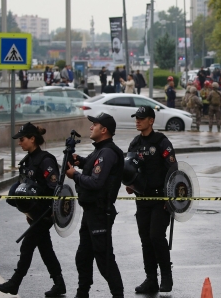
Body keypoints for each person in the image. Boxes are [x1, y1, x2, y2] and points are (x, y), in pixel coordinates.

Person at [0, 123, 66, 297]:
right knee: (45, 248)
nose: (20, 143)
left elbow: (55, 187)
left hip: (46, 213)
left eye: (22, 139)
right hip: (35, 214)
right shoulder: (27, 161)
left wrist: (51, 211)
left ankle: (15, 283)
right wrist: (27, 212)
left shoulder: (45, 160)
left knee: (27, 246)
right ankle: (59, 283)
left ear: (32, 139)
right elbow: (24, 187)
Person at [65, 113, 125, 298]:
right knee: (83, 256)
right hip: (91, 212)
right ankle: (82, 293)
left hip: (100, 212)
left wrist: (75, 174)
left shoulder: (107, 152)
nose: (91, 127)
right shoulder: (100, 150)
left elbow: (96, 182)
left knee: (104, 258)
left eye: (95, 124)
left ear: (104, 130)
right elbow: (94, 166)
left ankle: (118, 295)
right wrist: (80, 161)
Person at [126, 106, 177, 294]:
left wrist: (170, 198)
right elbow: (129, 168)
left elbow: (173, 169)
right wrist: (130, 184)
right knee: (145, 239)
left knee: (156, 236)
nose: (137, 121)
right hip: (142, 199)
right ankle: (151, 279)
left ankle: (166, 276)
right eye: (136, 118)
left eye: (141, 118)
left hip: (160, 199)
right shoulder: (134, 144)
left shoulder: (162, 142)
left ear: (151, 121)